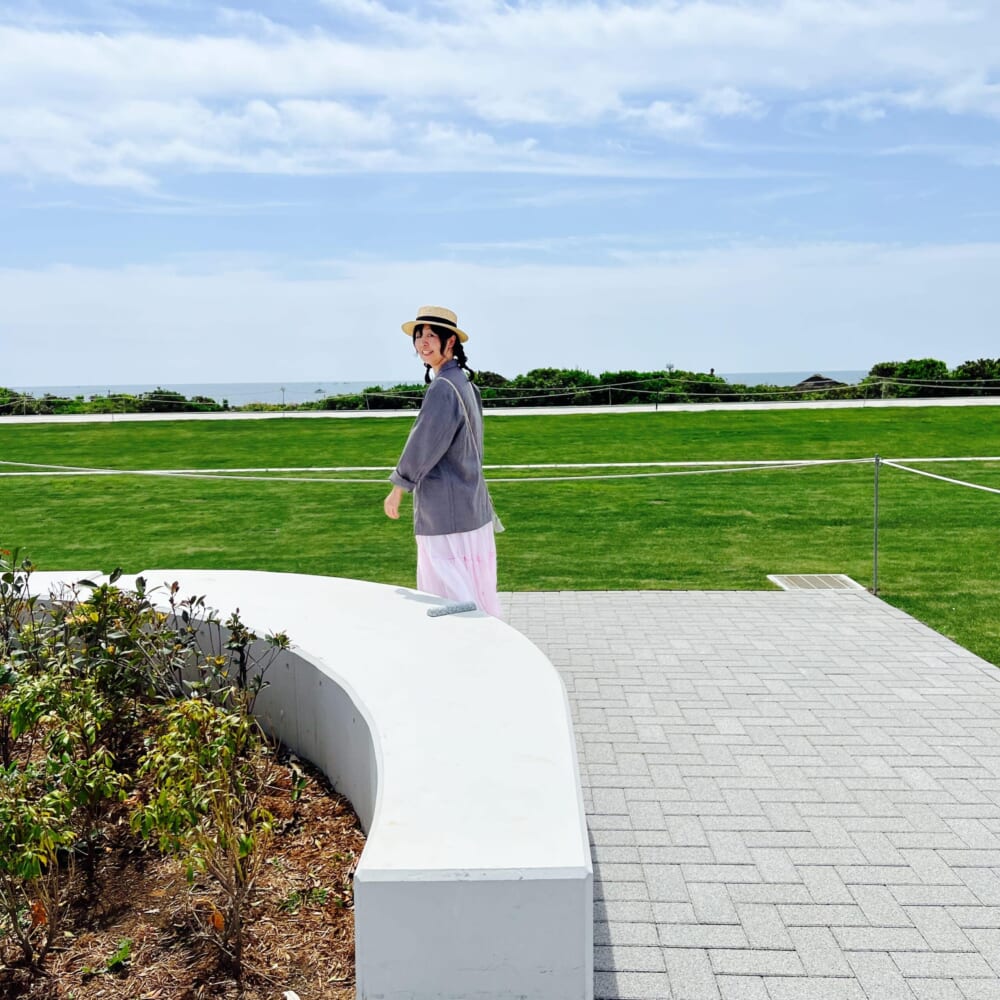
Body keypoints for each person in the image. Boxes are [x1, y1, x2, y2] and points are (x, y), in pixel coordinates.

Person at [383, 305, 502, 618]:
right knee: (473, 589)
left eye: (431, 335)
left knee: (450, 599)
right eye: (418, 335)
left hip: (446, 512)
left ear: (450, 342)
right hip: (471, 505)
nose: (423, 342)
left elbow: (423, 443)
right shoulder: (465, 384)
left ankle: (467, 642)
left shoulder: (443, 388)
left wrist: (398, 487)